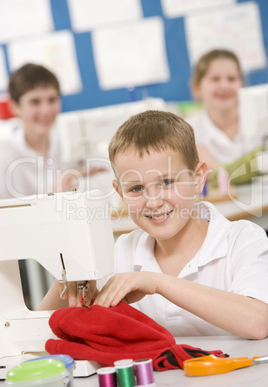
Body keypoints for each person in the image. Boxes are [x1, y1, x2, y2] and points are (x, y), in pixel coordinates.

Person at [40, 110, 268, 339]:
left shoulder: (242, 239)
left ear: (198, 178)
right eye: (136, 189)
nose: (154, 201)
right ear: (120, 192)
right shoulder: (122, 252)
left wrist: (158, 283)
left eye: (167, 182)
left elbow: (259, 323)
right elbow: (42, 330)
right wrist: (69, 273)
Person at [0, 63, 104, 200]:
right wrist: (52, 194)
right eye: (35, 102)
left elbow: (107, 168)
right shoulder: (5, 154)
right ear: (15, 107)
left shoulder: (70, 138)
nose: (46, 111)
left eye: (52, 100)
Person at [187, 49, 262, 171]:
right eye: (215, 79)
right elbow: (214, 173)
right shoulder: (190, 131)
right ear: (197, 88)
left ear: (241, 85)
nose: (224, 85)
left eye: (231, 79)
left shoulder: (261, 117)